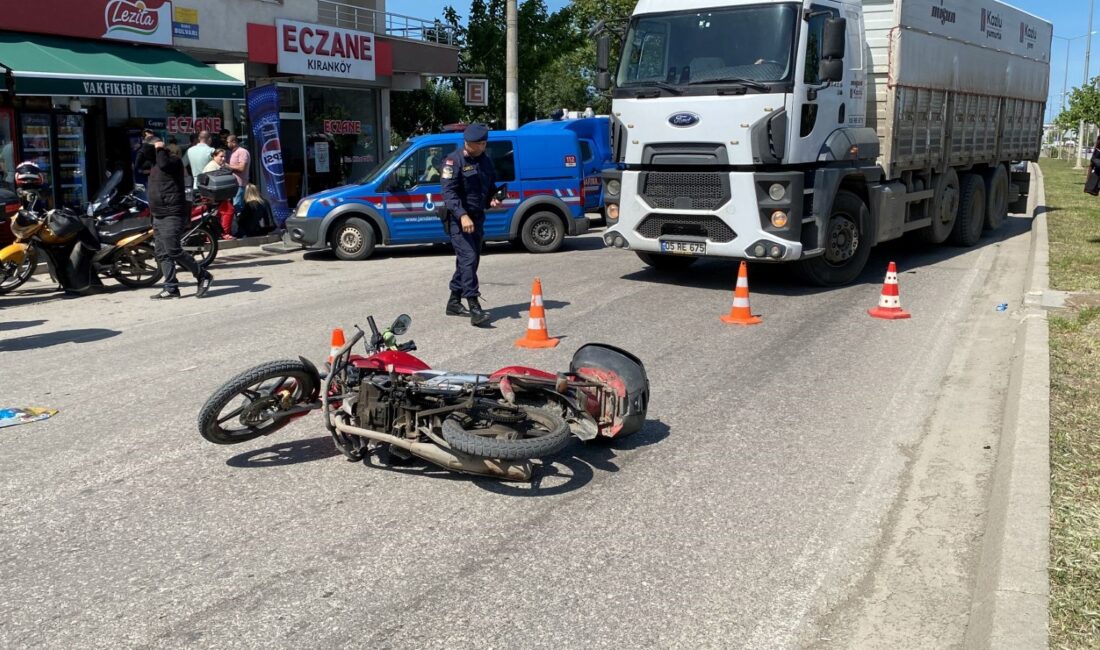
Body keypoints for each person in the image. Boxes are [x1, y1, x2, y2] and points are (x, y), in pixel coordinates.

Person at [441, 123, 501, 327]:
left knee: (470, 261)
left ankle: (454, 302)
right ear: (470, 143)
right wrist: (462, 215)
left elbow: (489, 187)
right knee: (468, 258)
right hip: (459, 220)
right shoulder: (453, 161)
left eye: (485, 143)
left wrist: (493, 198)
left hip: (478, 217)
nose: (484, 146)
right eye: (481, 144)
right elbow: (449, 194)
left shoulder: (484, 161)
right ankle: (474, 306)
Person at [146, 137, 213, 299]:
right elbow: (142, 159)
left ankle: (203, 275)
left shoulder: (174, 163)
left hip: (172, 214)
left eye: (155, 149)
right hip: (158, 214)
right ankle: (171, 288)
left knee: (173, 250)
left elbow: (163, 163)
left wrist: (160, 148)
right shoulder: (154, 166)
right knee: (162, 253)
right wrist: (147, 146)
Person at [203, 148, 235, 240]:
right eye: (221, 156)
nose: (223, 158)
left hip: (218, 196)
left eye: (224, 156)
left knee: (219, 214)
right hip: (213, 196)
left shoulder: (219, 165)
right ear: (214, 156)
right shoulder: (212, 167)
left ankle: (218, 233)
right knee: (229, 210)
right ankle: (224, 233)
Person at [226, 135, 251, 217]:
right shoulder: (233, 152)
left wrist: (228, 166)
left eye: (227, 142)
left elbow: (241, 168)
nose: (226, 144)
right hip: (235, 184)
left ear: (234, 142)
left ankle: (241, 226)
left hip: (240, 184)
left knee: (238, 207)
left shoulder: (242, 152)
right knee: (236, 206)